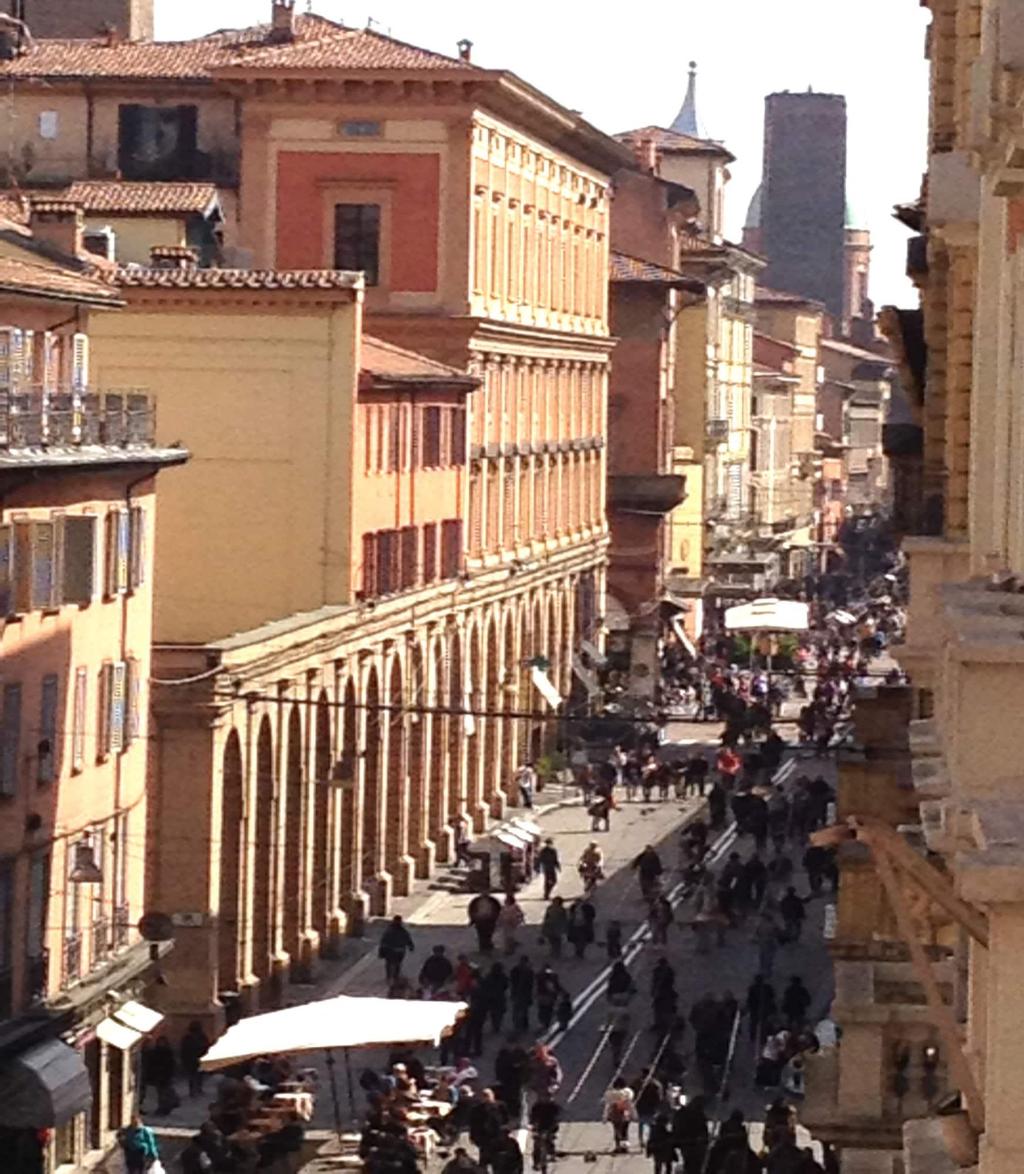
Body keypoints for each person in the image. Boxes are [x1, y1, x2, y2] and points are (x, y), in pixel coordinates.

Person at [633, 1068, 664, 1148]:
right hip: (652, 1108)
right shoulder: (656, 1084)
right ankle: (650, 1140)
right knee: (651, 1125)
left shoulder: (637, 1082)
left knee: (641, 1124)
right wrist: (658, 1107)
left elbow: (633, 1093)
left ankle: (641, 1141)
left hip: (640, 1107)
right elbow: (659, 1097)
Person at [379, 915, 415, 983]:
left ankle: (392, 976)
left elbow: (383, 940)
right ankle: (392, 976)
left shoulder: (392, 930)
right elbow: (408, 939)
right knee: (392, 963)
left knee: (394, 963)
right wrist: (411, 946)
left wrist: (410, 946)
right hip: (394, 950)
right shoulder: (399, 930)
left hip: (395, 950)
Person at [179, 1020, 209, 1099]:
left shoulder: (200, 1037)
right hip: (192, 1059)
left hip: (197, 1059)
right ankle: (194, 1090)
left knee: (196, 1076)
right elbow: (184, 1050)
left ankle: (196, 1090)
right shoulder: (189, 1038)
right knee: (194, 1076)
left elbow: (206, 1047)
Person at [603, 1078, 635, 1152]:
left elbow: (608, 1106)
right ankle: (625, 1147)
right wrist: (633, 1114)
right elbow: (630, 1105)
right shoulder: (627, 1093)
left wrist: (605, 1117)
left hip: (615, 1115)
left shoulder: (610, 1094)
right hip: (625, 1114)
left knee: (617, 1130)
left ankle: (618, 1147)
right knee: (625, 1131)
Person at [149, 1035, 179, 1114]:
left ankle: (166, 1108)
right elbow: (152, 1064)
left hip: (166, 1076)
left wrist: (171, 1074)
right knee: (161, 1093)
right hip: (159, 1076)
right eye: (159, 1042)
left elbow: (171, 1064)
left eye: (162, 1042)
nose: (161, 1044)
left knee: (165, 1093)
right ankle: (162, 1107)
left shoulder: (168, 1052)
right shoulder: (155, 1052)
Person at [510, 955, 535, 1035]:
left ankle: (519, 1026)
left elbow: (512, 981)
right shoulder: (529, 971)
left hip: (519, 993)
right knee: (522, 1010)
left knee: (519, 1010)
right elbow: (531, 984)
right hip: (523, 994)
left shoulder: (515, 970)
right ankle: (520, 1026)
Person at [535, 964, 562, 1030]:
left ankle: (542, 1022)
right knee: (548, 1009)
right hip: (548, 996)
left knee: (542, 1009)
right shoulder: (553, 975)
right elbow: (556, 986)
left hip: (542, 995)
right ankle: (545, 1023)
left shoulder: (539, 975)